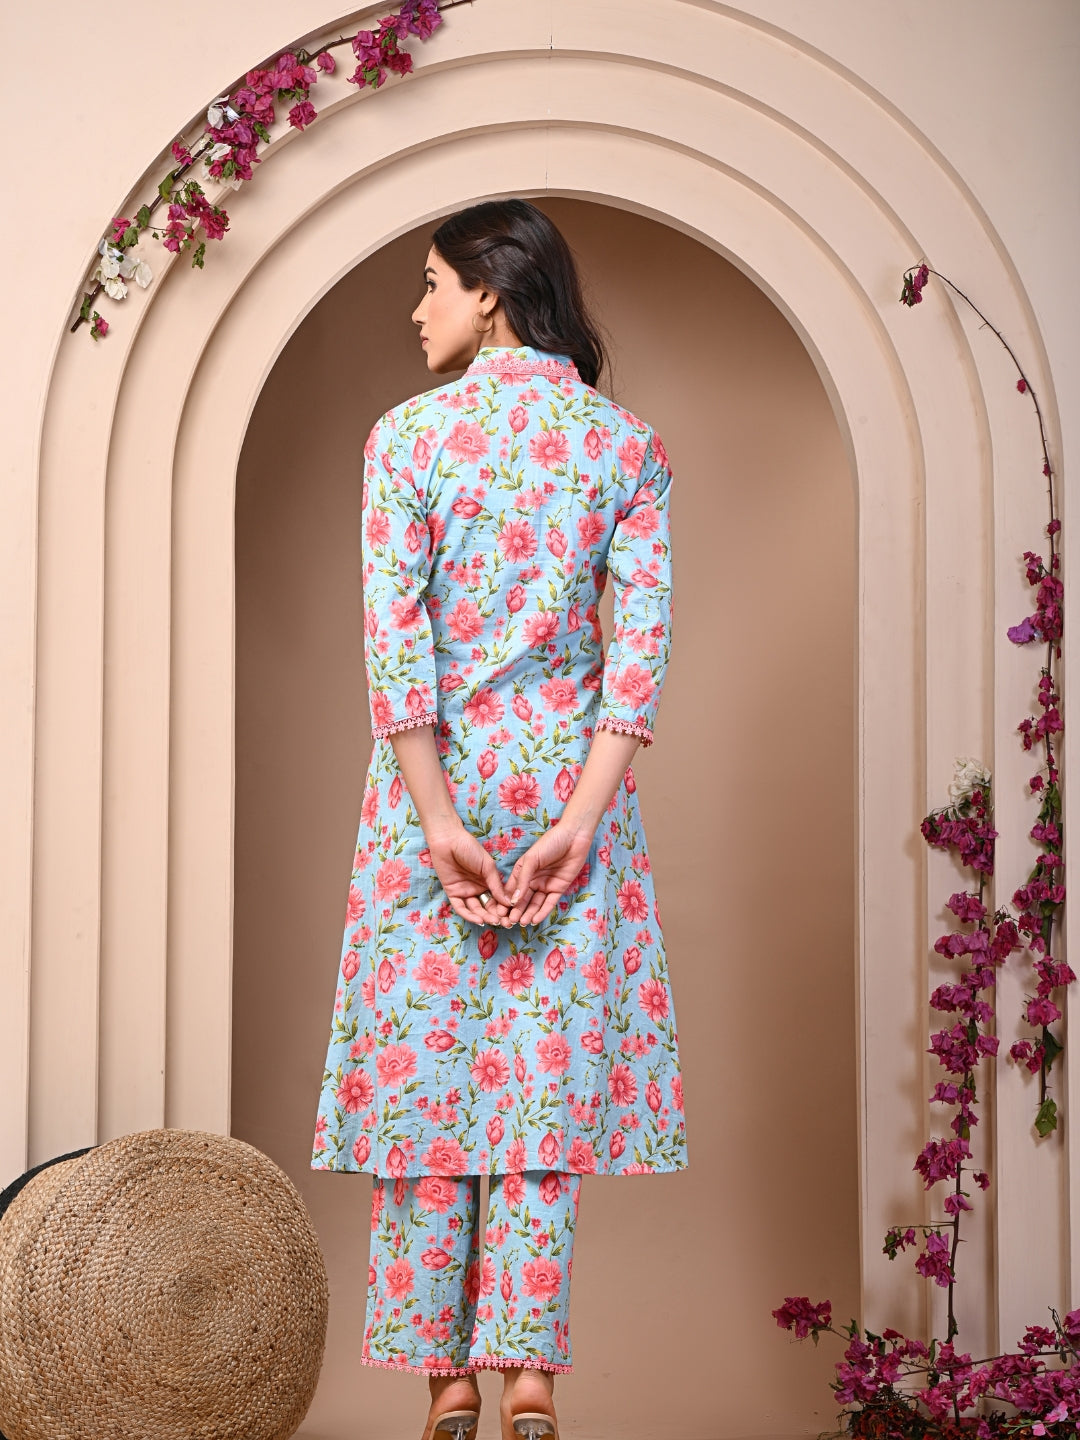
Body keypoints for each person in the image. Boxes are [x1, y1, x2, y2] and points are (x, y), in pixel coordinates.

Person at [310, 199, 686, 1440]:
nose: (416, 309)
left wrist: (434, 818)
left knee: (430, 1082)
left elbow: (396, 645)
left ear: (489, 289)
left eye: (430, 282)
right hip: (570, 796)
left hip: (440, 798)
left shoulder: (410, 437)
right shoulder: (626, 446)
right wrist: (581, 820)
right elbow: (638, 660)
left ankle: (447, 1383)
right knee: (537, 1091)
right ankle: (529, 1375)